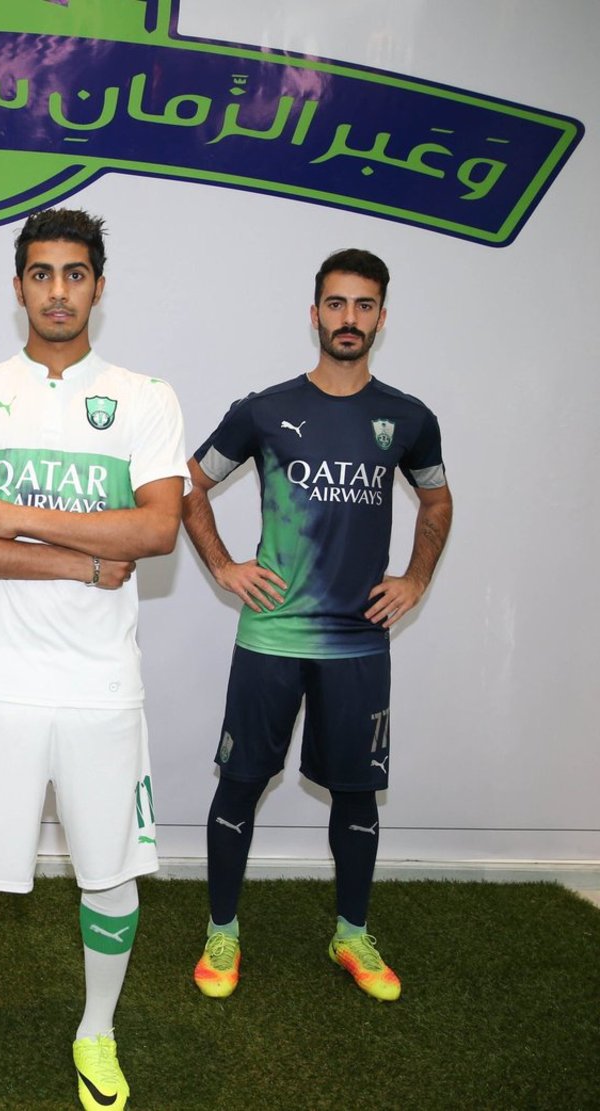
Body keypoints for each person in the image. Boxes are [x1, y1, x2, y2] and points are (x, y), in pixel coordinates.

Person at [0, 209, 187, 1111]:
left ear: (99, 286)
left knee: (109, 870)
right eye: (41, 273)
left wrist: (19, 517)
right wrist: (78, 559)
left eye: (74, 274)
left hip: (101, 686)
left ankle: (96, 1031)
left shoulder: (144, 397)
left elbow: (157, 527)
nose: (58, 291)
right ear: (19, 285)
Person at [183, 248, 453, 1003]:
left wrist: (416, 578)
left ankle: (351, 933)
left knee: (357, 794)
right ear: (315, 314)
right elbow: (189, 485)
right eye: (336, 303)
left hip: (358, 642)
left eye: (364, 305)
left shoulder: (408, 418)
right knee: (242, 782)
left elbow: (437, 500)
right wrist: (225, 566)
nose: (349, 318)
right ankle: (223, 931)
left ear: (381, 318)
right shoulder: (264, 410)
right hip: (271, 635)